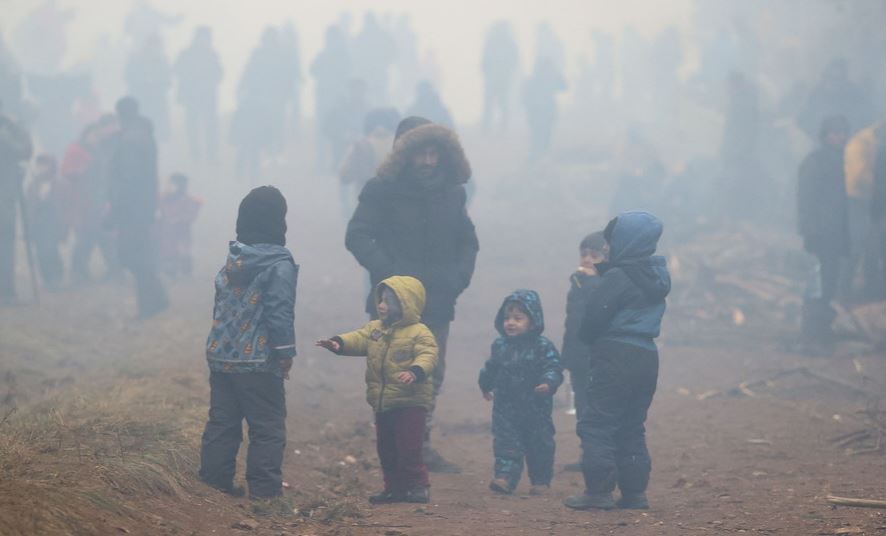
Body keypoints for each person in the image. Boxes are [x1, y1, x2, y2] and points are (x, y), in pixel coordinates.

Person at [345, 116, 479, 473]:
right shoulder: (381, 189)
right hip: (391, 306)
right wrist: (389, 277)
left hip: (437, 301)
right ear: (404, 154)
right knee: (391, 377)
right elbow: (357, 234)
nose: (429, 161)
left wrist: (458, 277)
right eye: (422, 154)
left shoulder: (452, 192)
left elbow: (468, 240)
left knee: (429, 374)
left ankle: (419, 448)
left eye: (435, 153)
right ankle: (397, 453)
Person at [200, 186, 298, 514]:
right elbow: (279, 309)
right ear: (279, 223)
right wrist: (285, 352)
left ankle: (213, 483)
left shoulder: (233, 261)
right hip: (258, 361)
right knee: (267, 426)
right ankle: (266, 494)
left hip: (221, 357)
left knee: (222, 422)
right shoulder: (279, 264)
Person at [564, 211, 670, 511]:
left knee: (598, 422)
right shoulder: (655, 276)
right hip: (647, 355)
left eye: (611, 241)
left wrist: (587, 338)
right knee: (632, 425)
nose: (607, 247)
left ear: (627, 242)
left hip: (615, 355)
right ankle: (635, 492)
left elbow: (594, 319)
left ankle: (598, 492)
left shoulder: (618, 277)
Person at [316, 275, 438, 504]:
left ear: (405, 304)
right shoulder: (375, 330)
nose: (381, 305)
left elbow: (428, 355)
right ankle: (393, 488)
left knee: (409, 447)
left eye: (388, 301)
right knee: (387, 449)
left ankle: (418, 486)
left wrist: (415, 371)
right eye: (380, 300)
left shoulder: (420, 332)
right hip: (383, 403)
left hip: (411, 403)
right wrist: (338, 343)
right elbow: (359, 339)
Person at [478, 290, 563, 495]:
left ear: (532, 321)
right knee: (506, 443)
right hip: (505, 408)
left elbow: (553, 367)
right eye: (507, 318)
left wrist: (548, 383)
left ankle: (540, 481)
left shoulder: (543, 346)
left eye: (518, 318)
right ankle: (505, 478)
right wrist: (485, 384)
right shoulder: (500, 345)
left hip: (536, 407)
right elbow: (491, 367)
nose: (511, 323)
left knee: (540, 445)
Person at [107, 96, 168, 318]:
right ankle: (156, 300)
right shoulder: (142, 135)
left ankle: (151, 303)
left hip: (132, 208)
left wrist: (115, 209)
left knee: (131, 255)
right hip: (142, 206)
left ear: (120, 115)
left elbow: (128, 180)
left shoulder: (130, 140)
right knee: (139, 253)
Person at [797, 116, 851, 352]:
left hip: (834, 233)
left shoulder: (839, 161)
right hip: (820, 235)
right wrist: (810, 232)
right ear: (825, 135)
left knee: (828, 284)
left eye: (843, 132)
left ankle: (822, 331)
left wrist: (844, 235)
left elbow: (841, 204)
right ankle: (813, 334)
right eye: (836, 132)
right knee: (817, 286)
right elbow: (806, 202)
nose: (841, 137)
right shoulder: (815, 162)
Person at [560, 232, 608, 472]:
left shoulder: (606, 285)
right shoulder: (578, 283)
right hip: (579, 357)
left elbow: (598, 311)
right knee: (582, 406)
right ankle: (587, 454)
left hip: (598, 359)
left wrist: (588, 282)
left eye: (595, 255)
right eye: (584, 254)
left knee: (597, 407)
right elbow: (572, 323)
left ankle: (599, 457)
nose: (587, 259)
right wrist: (565, 355)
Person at [338, 107, 400, 218]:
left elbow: (344, 175)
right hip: (394, 203)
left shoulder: (360, 145)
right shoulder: (399, 145)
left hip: (364, 204)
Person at [0, 101, 33, 305]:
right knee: (4, 244)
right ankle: (6, 292)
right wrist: (17, 126)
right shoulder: (4, 133)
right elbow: (24, 151)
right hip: (3, 199)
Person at [173, 26, 223, 162]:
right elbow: (177, 69)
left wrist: (209, 81)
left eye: (206, 38)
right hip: (192, 96)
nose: (204, 41)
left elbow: (219, 74)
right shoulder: (187, 53)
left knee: (211, 126)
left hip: (208, 96)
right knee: (192, 126)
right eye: (202, 37)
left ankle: (211, 154)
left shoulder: (212, 54)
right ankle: (195, 153)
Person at [26, 154, 65, 290]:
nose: (41, 168)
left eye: (44, 164)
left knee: (51, 250)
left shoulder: (58, 183)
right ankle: (47, 279)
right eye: (39, 165)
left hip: (52, 223)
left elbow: (61, 206)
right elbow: (29, 205)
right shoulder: (33, 184)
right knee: (41, 253)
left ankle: (56, 277)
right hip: (38, 224)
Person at [157, 172, 202, 276]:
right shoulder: (164, 198)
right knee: (168, 252)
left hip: (181, 232)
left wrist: (179, 219)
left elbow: (191, 215)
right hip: (167, 233)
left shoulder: (189, 201)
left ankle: (185, 271)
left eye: (180, 185)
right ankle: (170, 269)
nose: (175, 188)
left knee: (184, 252)